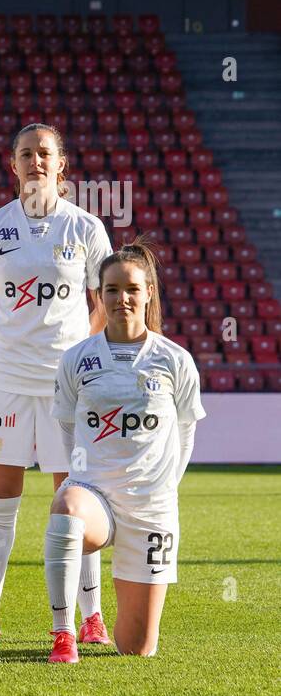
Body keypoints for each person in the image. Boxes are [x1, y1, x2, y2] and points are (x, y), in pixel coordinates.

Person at [0, 123, 113, 646]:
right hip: (5, 382)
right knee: (0, 499)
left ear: (61, 164)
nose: (35, 162)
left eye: (44, 153)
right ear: (13, 164)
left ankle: (90, 616)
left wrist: (76, 361)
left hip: (67, 389)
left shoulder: (86, 228)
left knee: (76, 498)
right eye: (26, 154)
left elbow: (102, 306)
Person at [44, 240, 204, 663]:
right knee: (66, 506)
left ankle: (117, 620)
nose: (121, 298)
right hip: (96, 495)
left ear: (148, 292)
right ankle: (63, 633)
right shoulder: (76, 359)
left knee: (136, 647)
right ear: (98, 295)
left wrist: (164, 486)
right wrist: (81, 476)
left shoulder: (175, 360)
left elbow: (185, 433)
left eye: (131, 288)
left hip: (151, 506)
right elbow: (67, 428)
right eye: (111, 289)